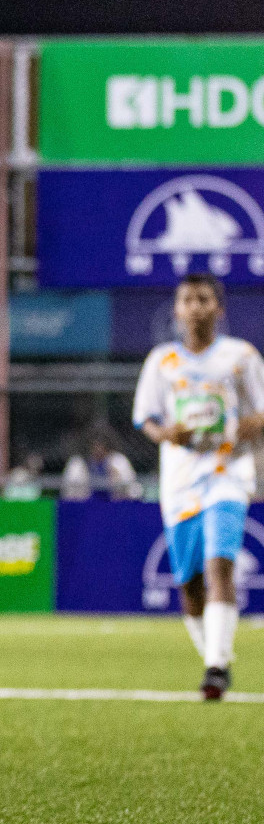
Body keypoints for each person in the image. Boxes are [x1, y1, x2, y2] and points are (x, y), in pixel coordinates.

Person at [134, 273, 264, 701]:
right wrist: (166, 433)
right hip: (180, 481)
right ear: (176, 309)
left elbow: (262, 412)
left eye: (204, 299)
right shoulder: (162, 361)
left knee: (219, 564)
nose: (195, 307)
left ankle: (215, 668)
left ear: (218, 308)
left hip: (228, 473)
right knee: (188, 584)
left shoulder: (240, 356)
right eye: (187, 299)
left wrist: (237, 426)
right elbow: (146, 418)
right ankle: (215, 654)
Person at [62, 430, 141, 501]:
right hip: (85, 503)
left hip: (114, 503)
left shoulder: (119, 461)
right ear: (89, 448)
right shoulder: (77, 463)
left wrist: (116, 477)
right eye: (95, 447)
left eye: (101, 447)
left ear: (107, 448)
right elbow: (68, 490)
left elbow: (132, 487)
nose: (98, 450)